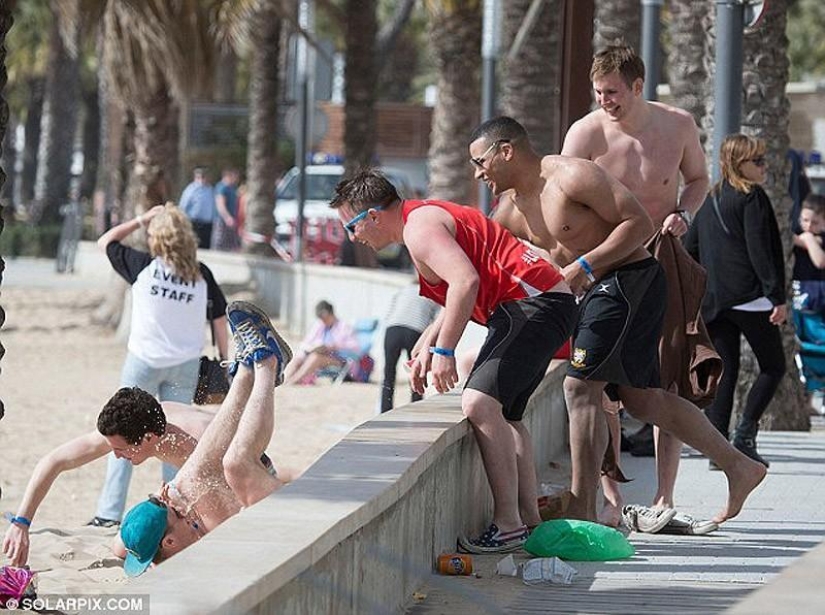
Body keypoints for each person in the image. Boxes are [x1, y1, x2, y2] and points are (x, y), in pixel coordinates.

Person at [468, 116, 766, 528]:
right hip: (596, 292)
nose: (478, 173)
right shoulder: (509, 212)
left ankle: (581, 508)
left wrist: (584, 266)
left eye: (481, 162)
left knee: (579, 386)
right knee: (643, 399)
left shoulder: (571, 175)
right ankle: (739, 466)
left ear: (506, 151)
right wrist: (438, 332)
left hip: (629, 278)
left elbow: (639, 224)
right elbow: (477, 261)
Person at [330, 169, 577, 554]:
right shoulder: (422, 217)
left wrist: (445, 351)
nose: (353, 237)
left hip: (533, 303)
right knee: (508, 416)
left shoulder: (418, 229)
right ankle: (529, 522)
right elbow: (461, 285)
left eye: (353, 226)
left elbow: (465, 282)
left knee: (478, 403)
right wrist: (429, 340)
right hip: (541, 304)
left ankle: (508, 524)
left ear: (374, 216)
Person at [561, 43, 717, 531]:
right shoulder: (585, 134)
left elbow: (698, 179)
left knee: (667, 378)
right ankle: (610, 498)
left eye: (612, 92)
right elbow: (558, 201)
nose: (604, 100)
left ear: (637, 86)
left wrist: (683, 213)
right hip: (607, 267)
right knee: (602, 382)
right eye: (598, 92)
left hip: (663, 259)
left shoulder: (678, 125)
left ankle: (664, 497)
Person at [116, 301, 292, 575]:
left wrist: (162, 505)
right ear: (169, 541)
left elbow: (122, 546)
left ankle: (246, 370)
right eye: (171, 511)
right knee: (235, 465)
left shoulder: (166, 532)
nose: (175, 507)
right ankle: (267, 363)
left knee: (187, 482)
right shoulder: (203, 559)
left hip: (252, 484)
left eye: (169, 507)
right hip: (276, 515)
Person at [91, 203, 229, 527]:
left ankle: (108, 513)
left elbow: (105, 242)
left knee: (123, 436)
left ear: (157, 238)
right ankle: (177, 507)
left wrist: (140, 218)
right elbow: (220, 318)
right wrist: (224, 360)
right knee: (173, 439)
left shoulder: (143, 266)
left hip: (144, 361)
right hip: (185, 364)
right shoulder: (200, 273)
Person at [1, 389, 219, 567]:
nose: (115, 455)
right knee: (122, 547)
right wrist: (21, 522)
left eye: (120, 449)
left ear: (148, 438)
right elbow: (55, 460)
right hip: (195, 480)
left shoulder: (198, 444)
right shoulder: (137, 425)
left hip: (235, 476)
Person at [683, 134, 786, 469]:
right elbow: (761, 250)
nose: (764, 166)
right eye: (758, 161)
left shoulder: (711, 200)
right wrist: (776, 296)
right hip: (750, 298)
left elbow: (690, 248)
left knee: (725, 372)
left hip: (716, 301)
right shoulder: (751, 197)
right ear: (739, 164)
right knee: (773, 366)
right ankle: (744, 435)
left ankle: (718, 450)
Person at [380, 281, 440, 413]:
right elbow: (436, 322)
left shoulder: (403, 289)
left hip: (393, 328)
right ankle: (416, 407)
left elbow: (390, 312)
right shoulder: (433, 294)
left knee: (389, 373)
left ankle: (385, 409)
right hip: (415, 329)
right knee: (416, 371)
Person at [283, 300, 361, 386]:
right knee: (298, 358)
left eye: (325, 318)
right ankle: (285, 380)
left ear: (331, 314)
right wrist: (310, 348)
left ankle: (293, 381)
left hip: (340, 360)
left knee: (315, 357)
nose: (323, 321)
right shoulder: (320, 325)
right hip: (322, 355)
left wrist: (334, 346)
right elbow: (307, 342)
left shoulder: (344, 327)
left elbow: (355, 348)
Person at [179, 167, 216, 249]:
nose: (201, 180)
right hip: (194, 222)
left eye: (203, 177)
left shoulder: (210, 189)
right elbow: (183, 205)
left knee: (205, 246)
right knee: (194, 245)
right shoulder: (191, 189)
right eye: (199, 177)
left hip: (207, 223)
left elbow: (213, 206)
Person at [211, 168, 242, 251]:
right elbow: (220, 204)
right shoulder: (222, 187)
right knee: (220, 242)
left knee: (231, 244)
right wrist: (227, 217)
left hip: (231, 220)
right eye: (235, 176)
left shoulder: (232, 188)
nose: (237, 179)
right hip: (222, 220)